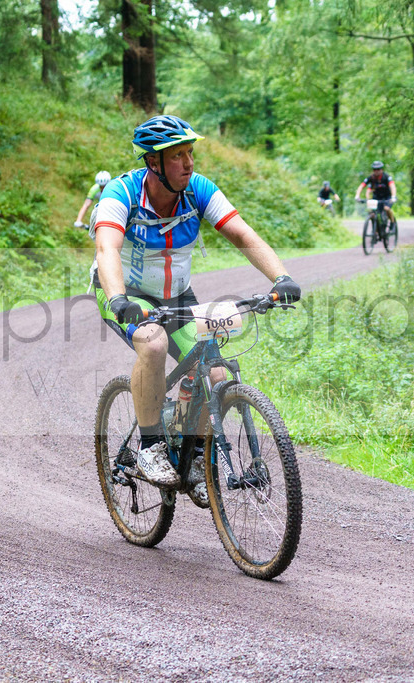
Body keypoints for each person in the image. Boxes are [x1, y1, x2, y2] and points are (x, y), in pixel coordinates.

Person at [91, 114, 301, 506]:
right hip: (126, 295)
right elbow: (107, 249)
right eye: (178, 156)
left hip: (177, 296)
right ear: (153, 163)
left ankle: (195, 461)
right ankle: (151, 445)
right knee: (152, 345)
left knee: (216, 371)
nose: (189, 163)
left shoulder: (198, 189)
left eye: (190, 153)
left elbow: (242, 233)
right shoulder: (120, 194)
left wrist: (280, 279)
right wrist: (119, 299)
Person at [354, 160, 397, 231]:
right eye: (374, 169)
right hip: (376, 197)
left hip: (387, 197)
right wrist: (357, 196)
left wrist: (393, 197)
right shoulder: (371, 178)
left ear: (382, 170)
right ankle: (376, 230)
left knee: (387, 209)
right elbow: (361, 186)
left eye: (378, 169)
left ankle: (392, 222)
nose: (376, 171)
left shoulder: (386, 177)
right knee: (372, 213)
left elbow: (392, 186)